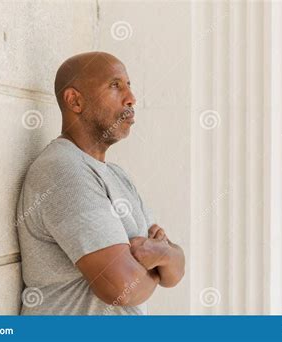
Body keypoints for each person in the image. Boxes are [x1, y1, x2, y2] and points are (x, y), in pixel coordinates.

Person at [16, 51, 185, 315]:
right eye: (115, 85)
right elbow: (120, 288)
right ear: (75, 100)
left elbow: (175, 271)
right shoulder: (64, 170)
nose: (131, 98)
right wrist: (158, 262)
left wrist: (162, 256)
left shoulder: (118, 176)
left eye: (129, 85)